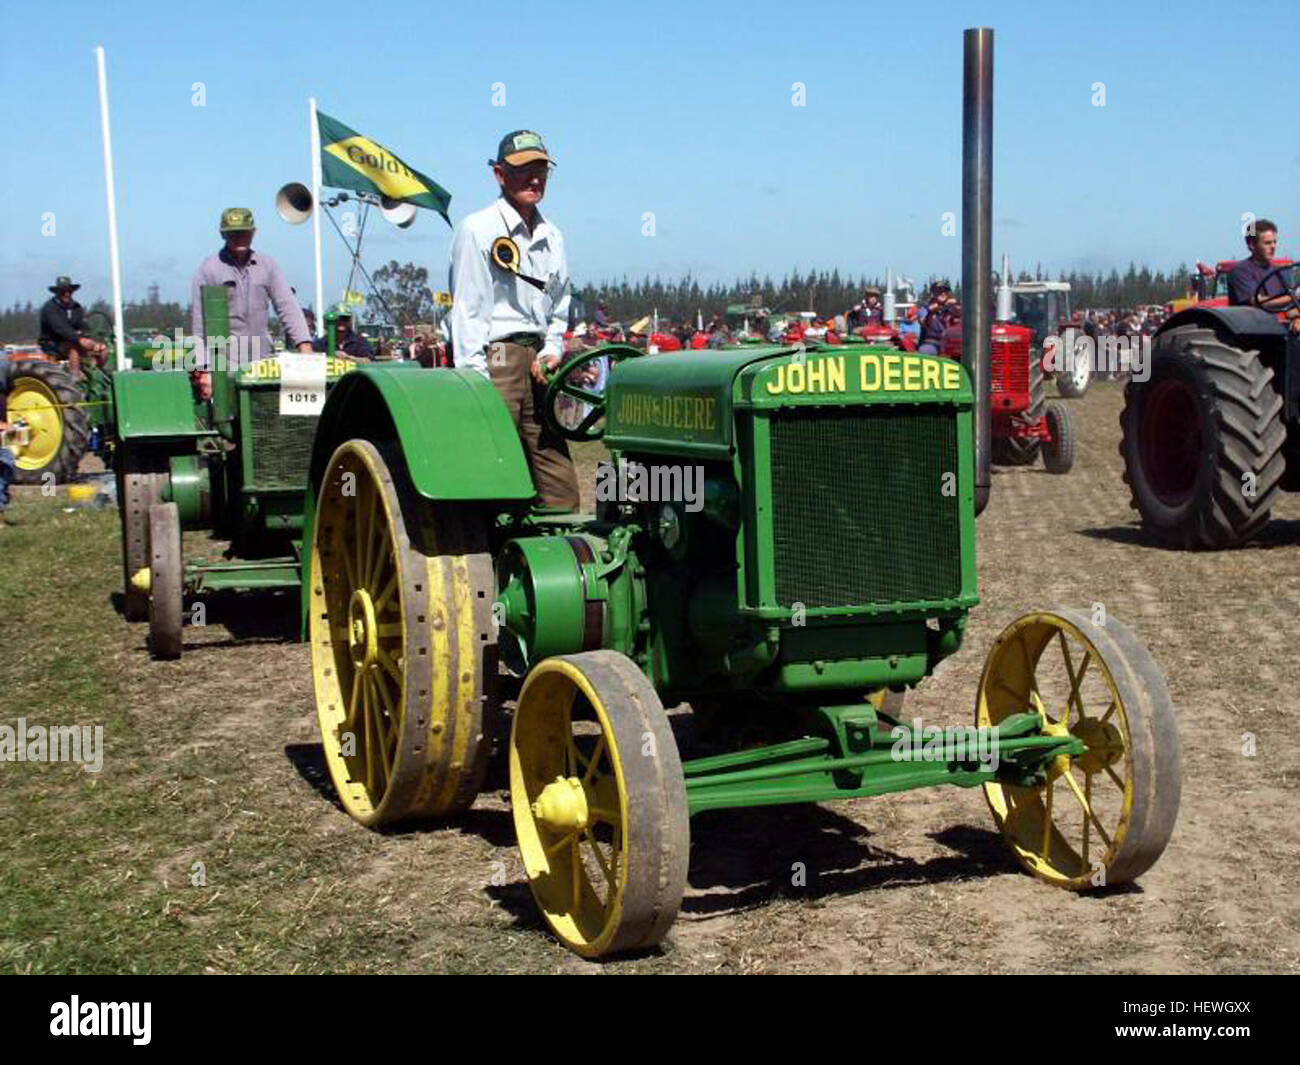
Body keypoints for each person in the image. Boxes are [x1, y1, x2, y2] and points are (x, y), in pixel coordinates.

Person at [448, 130, 580, 511]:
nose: (534, 178)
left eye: (541, 169)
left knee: (559, 481)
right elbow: (469, 310)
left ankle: (555, 553)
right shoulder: (478, 229)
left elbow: (559, 303)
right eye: (524, 169)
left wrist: (553, 348)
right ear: (500, 175)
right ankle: (485, 556)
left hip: (538, 361)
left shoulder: (553, 236)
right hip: (497, 358)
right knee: (494, 466)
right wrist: (475, 379)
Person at [190, 207, 314, 399]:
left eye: (244, 232)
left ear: (253, 233)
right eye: (233, 233)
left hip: (262, 364)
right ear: (223, 234)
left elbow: (287, 306)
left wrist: (305, 347)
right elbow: (200, 325)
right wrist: (204, 370)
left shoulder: (268, 266)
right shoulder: (208, 270)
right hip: (224, 367)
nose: (239, 237)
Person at [1228, 219, 1300, 332]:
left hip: (1271, 329)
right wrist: (1294, 296)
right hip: (1247, 332)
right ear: (1252, 245)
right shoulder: (1240, 271)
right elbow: (1258, 301)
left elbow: (1289, 307)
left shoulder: (1280, 272)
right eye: (1267, 243)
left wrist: (1296, 318)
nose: (1273, 247)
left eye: (1274, 242)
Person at [38, 276, 106, 377]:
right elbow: (60, 328)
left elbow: (83, 326)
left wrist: (90, 341)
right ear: (57, 293)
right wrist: (79, 340)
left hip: (74, 339)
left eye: (69, 291)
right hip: (52, 343)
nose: (67, 294)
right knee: (74, 348)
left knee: (102, 349)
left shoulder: (76, 307)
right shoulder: (50, 308)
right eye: (63, 291)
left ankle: (95, 374)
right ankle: (75, 378)